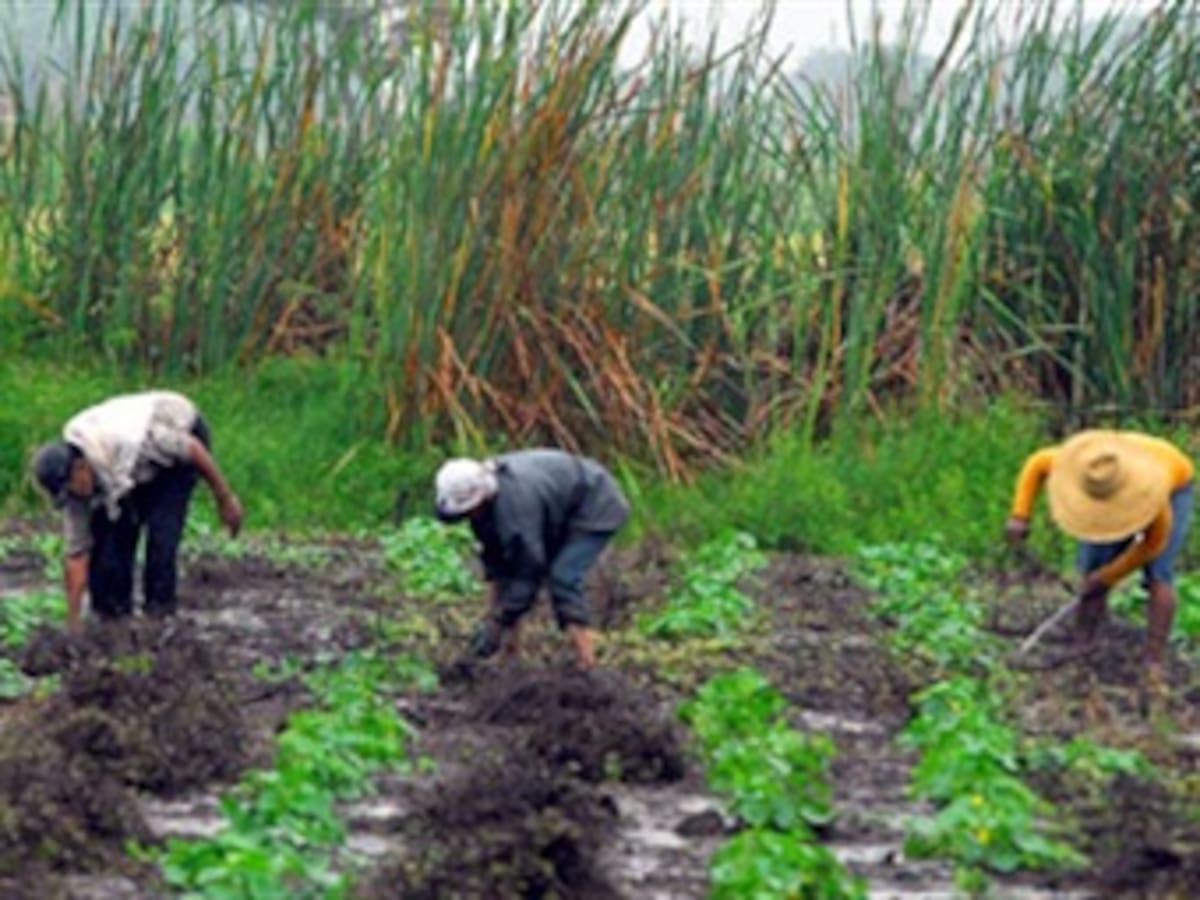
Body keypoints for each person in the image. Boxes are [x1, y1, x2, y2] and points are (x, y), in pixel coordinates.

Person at [31, 390, 244, 630]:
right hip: (124, 469)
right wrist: (73, 624)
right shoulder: (74, 485)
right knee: (109, 552)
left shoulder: (131, 442)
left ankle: (160, 622)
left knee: (161, 543)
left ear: (81, 468)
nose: (75, 498)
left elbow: (192, 449)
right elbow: (77, 556)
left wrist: (225, 498)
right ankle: (113, 623)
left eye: (72, 490)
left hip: (177, 437)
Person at [1006, 429, 1193, 695]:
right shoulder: (1086, 470)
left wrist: (1107, 577)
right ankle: (1083, 649)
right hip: (1118, 473)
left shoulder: (1156, 493)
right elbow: (1036, 463)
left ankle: (1153, 664)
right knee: (1093, 564)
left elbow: (1152, 545)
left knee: (1159, 574)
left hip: (1175, 483)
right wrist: (1020, 515)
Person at [433, 448, 630, 670]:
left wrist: (500, 621)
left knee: (563, 578)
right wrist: (492, 620)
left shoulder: (516, 513)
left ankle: (587, 664)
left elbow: (529, 574)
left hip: (596, 505)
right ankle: (510, 656)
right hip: (556, 506)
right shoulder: (487, 508)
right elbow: (499, 567)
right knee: (507, 576)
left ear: (481, 499)